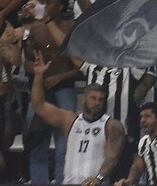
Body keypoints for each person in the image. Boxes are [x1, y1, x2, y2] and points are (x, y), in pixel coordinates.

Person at [30, 50, 126, 186]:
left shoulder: (112, 125)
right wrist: (39, 75)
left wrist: (98, 178)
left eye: (100, 100)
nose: (97, 103)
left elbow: (112, 158)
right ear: (84, 98)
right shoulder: (71, 120)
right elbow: (39, 106)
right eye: (93, 98)